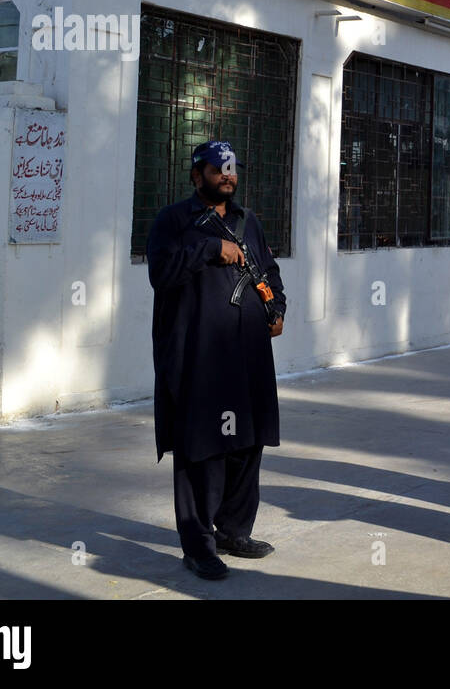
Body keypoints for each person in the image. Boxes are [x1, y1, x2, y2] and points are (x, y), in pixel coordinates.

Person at [146, 140, 287, 580]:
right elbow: (160, 273)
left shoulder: (248, 221)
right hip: (198, 355)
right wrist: (210, 250)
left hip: (248, 354)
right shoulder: (173, 221)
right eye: (217, 169)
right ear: (196, 175)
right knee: (200, 449)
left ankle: (233, 530)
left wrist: (277, 307)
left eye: (232, 169)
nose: (227, 175)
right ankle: (198, 545)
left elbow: (269, 269)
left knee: (248, 441)